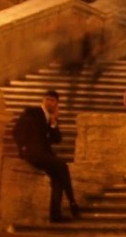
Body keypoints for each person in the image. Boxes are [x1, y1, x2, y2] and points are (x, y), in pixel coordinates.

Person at [13, 89, 79, 223]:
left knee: (58, 177)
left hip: (43, 154)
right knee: (62, 167)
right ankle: (72, 202)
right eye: (47, 99)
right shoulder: (33, 113)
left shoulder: (50, 119)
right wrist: (22, 148)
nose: (50, 102)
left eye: (53, 100)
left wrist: (54, 122)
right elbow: (16, 131)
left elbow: (57, 139)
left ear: (57, 104)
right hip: (33, 153)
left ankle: (56, 215)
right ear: (42, 100)